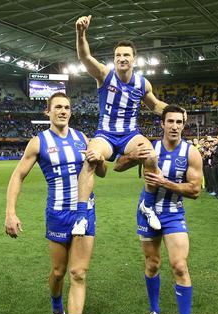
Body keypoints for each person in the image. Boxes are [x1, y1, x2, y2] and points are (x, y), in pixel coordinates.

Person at [4, 93, 107, 314]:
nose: (63, 111)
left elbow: (102, 171)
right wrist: (10, 212)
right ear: (47, 111)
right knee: (59, 272)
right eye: (58, 107)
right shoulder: (39, 142)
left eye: (67, 107)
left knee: (79, 273)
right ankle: (56, 306)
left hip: (85, 213)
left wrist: (101, 158)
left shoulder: (82, 138)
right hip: (58, 214)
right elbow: (18, 175)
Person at [72, 15, 177, 236]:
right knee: (90, 158)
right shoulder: (104, 75)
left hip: (130, 134)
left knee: (150, 155)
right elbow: (85, 57)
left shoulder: (142, 83)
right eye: (118, 55)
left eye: (126, 55)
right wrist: (81, 33)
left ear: (134, 59)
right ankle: (81, 216)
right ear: (114, 58)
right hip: (106, 134)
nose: (122, 58)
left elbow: (157, 106)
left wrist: (177, 111)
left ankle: (147, 205)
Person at [114, 105, 201, 314]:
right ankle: (154, 311)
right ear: (162, 124)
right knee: (153, 264)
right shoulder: (149, 148)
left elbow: (195, 190)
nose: (174, 126)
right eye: (170, 121)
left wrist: (166, 182)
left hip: (173, 213)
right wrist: (133, 157)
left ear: (184, 125)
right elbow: (117, 167)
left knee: (180, 266)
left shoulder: (191, 153)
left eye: (179, 122)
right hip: (146, 210)